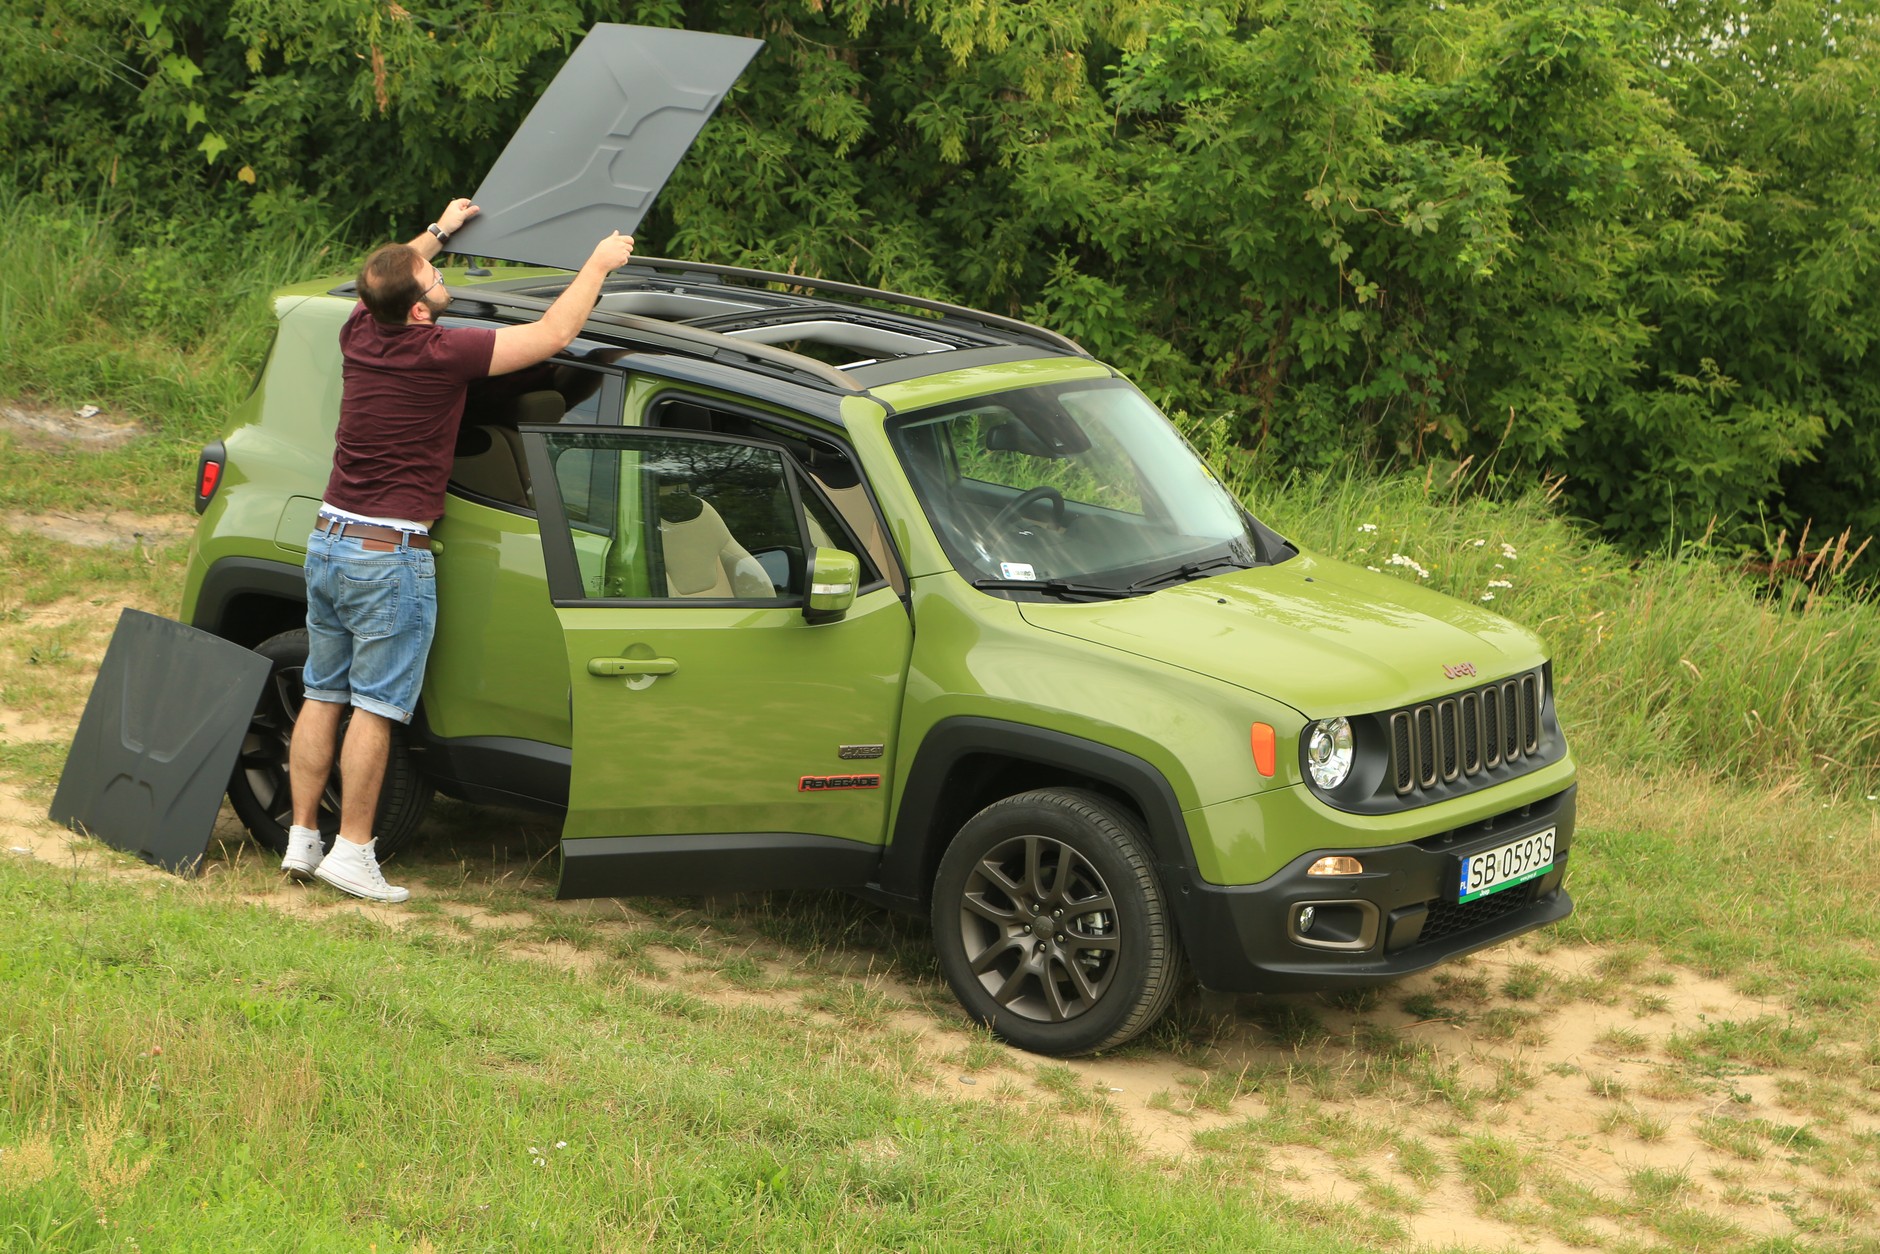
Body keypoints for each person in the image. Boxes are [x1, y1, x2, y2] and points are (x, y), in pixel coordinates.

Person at [281, 198, 635, 902]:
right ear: (418, 312)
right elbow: (554, 334)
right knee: (376, 707)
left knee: (323, 694)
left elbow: (386, 275)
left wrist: (441, 231)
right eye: (433, 278)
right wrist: (598, 261)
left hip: (330, 539)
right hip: (389, 555)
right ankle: (353, 850)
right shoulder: (444, 353)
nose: (442, 281)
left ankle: (300, 837)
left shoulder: (361, 329)